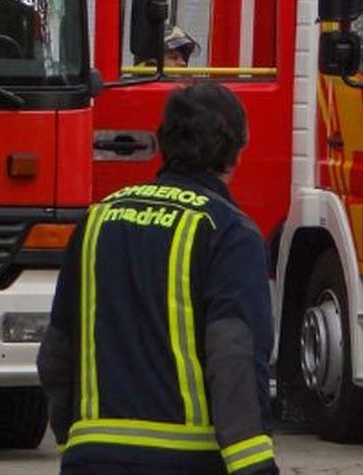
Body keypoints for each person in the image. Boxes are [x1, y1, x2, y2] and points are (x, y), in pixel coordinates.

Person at [38, 83, 277, 474]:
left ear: (164, 142)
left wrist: (73, 439)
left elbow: (56, 353)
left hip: (92, 458)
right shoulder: (228, 232)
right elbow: (233, 355)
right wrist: (253, 465)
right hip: (184, 462)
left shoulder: (97, 221)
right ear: (236, 151)